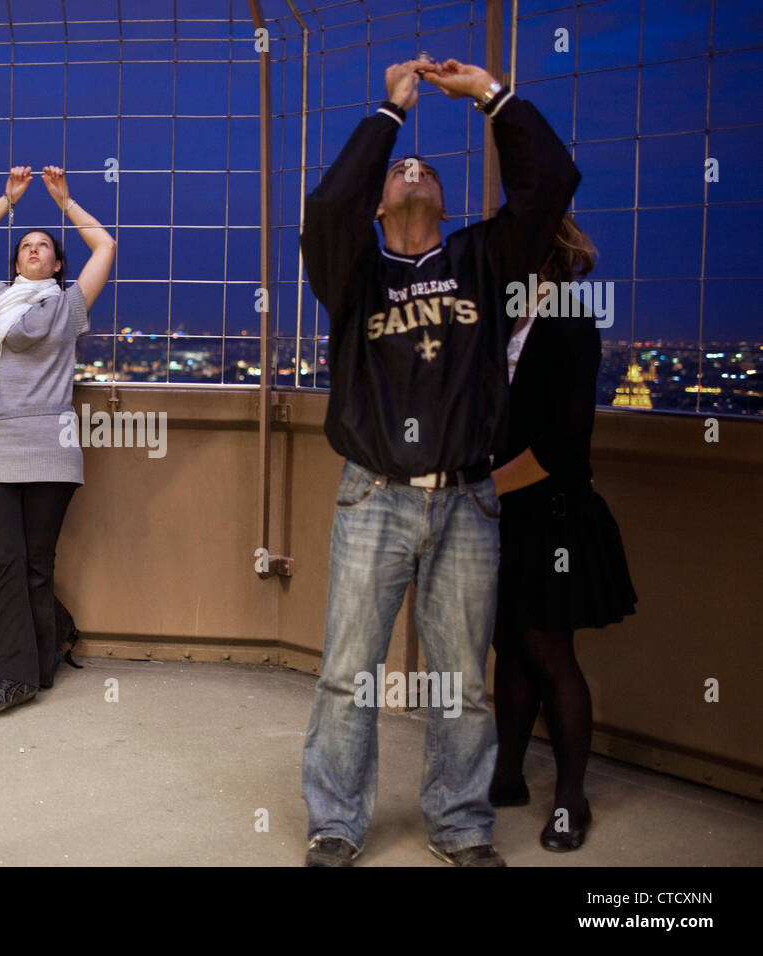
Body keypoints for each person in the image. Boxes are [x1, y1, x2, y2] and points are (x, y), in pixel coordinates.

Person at [299, 58, 580, 866]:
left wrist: (490, 95)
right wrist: (391, 111)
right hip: (374, 497)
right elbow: (326, 204)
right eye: (398, 170)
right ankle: (336, 821)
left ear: (450, 206)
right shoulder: (353, 275)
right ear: (380, 202)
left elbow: (550, 180)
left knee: (462, 679)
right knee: (349, 670)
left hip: (467, 501)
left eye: (428, 168)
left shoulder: (484, 262)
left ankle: (460, 825)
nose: (413, 168)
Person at [488, 214, 637, 851]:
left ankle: (571, 799)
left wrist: (481, 487)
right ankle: (508, 773)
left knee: (551, 655)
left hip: (553, 516)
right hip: (506, 518)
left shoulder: (570, 318)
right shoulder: (504, 314)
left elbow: (566, 442)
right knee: (509, 647)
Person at [0, 165, 115, 716]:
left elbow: (105, 243)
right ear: (16, 261)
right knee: (8, 560)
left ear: (58, 262)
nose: (34, 250)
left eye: (45, 246)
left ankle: (37, 667)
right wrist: (8, 200)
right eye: (26, 246)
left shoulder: (69, 307)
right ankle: (15, 676)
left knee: (39, 561)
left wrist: (64, 202)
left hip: (54, 447)